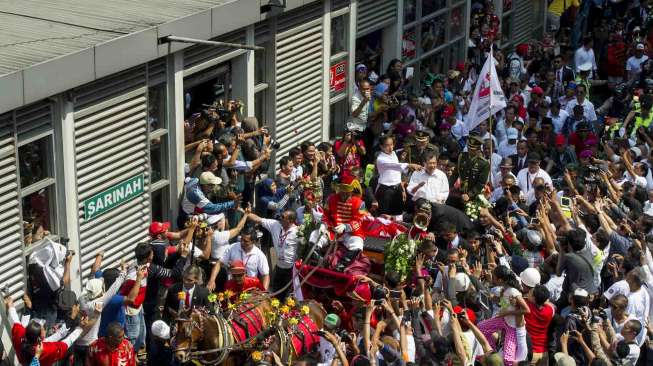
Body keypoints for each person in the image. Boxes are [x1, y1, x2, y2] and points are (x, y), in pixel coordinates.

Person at [247, 210, 299, 298]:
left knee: (288, 298)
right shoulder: (275, 225)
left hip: (291, 270)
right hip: (278, 268)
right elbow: (258, 219)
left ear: (290, 221)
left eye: (283, 217)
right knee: (276, 294)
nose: (279, 218)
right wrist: (245, 213)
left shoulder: (298, 232)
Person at [375, 135, 422, 220]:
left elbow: (397, 172)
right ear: (381, 146)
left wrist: (402, 188)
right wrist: (410, 165)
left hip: (397, 189)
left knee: (396, 216)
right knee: (384, 217)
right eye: (387, 145)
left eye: (391, 144)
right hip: (385, 190)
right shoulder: (380, 159)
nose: (390, 147)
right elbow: (395, 166)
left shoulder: (393, 154)